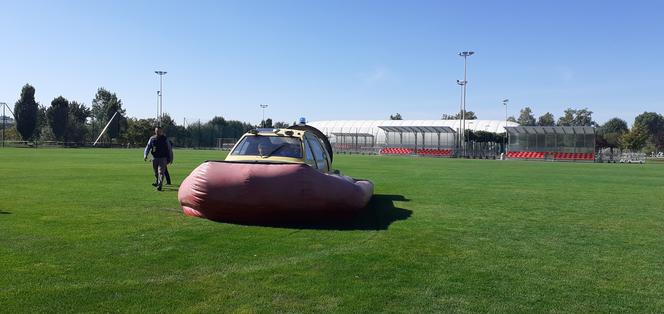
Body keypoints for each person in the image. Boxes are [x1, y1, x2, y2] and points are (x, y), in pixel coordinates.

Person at [144, 127, 173, 191]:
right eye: (157, 131)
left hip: (163, 158)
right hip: (155, 158)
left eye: (159, 131)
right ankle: (157, 182)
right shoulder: (152, 138)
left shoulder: (165, 139)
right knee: (156, 173)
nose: (158, 132)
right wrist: (145, 155)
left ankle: (160, 186)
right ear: (155, 131)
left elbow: (169, 149)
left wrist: (171, 158)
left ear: (162, 131)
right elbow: (148, 147)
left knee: (161, 172)